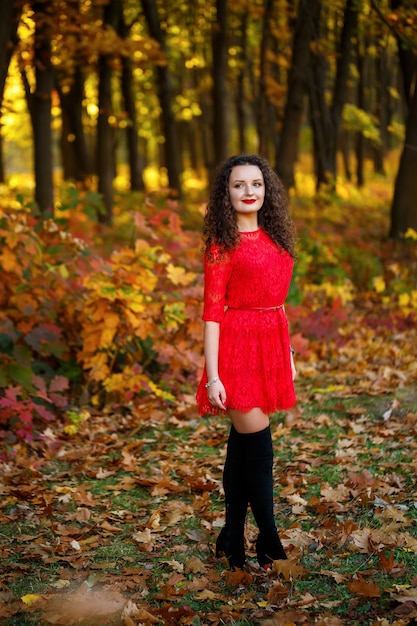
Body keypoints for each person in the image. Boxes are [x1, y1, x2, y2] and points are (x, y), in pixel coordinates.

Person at [196, 154, 297, 570]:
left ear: (266, 189)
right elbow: (212, 313)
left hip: (270, 346)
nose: (249, 192)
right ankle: (269, 541)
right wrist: (213, 376)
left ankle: (231, 536)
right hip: (236, 349)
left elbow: (279, 301)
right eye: (239, 185)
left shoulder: (275, 237)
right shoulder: (223, 246)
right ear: (226, 193)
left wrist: (288, 355)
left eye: (256, 184)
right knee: (259, 449)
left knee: (241, 451)